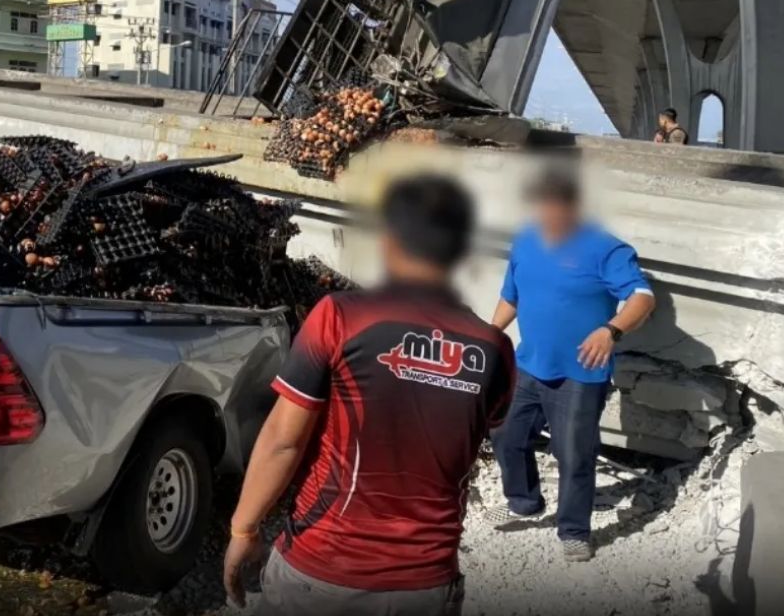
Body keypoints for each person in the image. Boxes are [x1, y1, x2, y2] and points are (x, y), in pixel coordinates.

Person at [222, 174, 516, 616]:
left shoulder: (339, 317)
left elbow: (284, 440)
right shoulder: (494, 349)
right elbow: (473, 434)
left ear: (389, 242)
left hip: (319, 570)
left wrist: (243, 531)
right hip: (424, 585)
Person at [488, 168, 655, 561]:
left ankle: (574, 530)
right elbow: (511, 297)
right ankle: (523, 501)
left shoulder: (608, 249)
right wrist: (489, 335)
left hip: (581, 373)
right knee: (505, 435)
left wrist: (610, 331)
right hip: (527, 365)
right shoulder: (526, 240)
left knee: (574, 453)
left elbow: (643, 298)